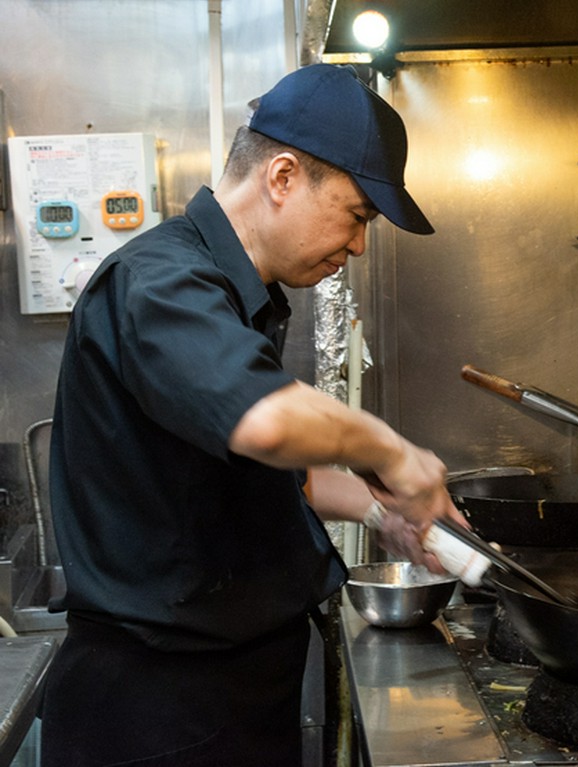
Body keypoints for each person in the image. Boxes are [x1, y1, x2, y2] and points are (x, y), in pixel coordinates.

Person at [40, 63, 463, 767]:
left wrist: (382, 512)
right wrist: (394, 453)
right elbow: (265, 423)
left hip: (223, 696)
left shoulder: (237, 295)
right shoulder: (161, 282)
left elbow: (265, 471)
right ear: (283, 176)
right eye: (358, 215)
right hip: (159, 715)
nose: (359, 246)